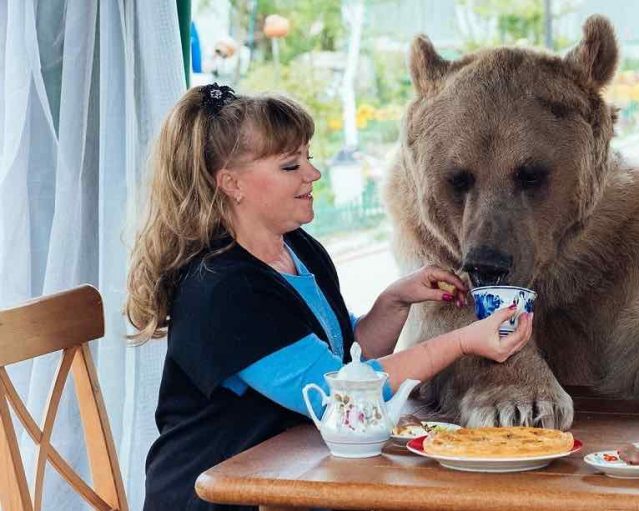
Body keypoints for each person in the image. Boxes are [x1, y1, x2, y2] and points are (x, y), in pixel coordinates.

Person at [125, 83, 533, 511]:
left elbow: (344, 362)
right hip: (223, 493)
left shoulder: (298, 248)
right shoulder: (224, 291)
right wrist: (464, 341)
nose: (312, 174)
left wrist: (395, 301)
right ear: (231, 184)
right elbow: (338, 395)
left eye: (309, 158)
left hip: (292, 475)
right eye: (290, 166)